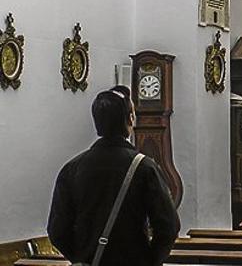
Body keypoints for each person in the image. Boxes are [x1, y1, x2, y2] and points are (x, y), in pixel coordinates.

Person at [48, 86, 180, 266]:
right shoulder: (145, 168)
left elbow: (57, 231)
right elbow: (169, 226)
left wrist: (80, 257)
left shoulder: (72, 169)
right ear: (130, 120)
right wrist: (150, 260)